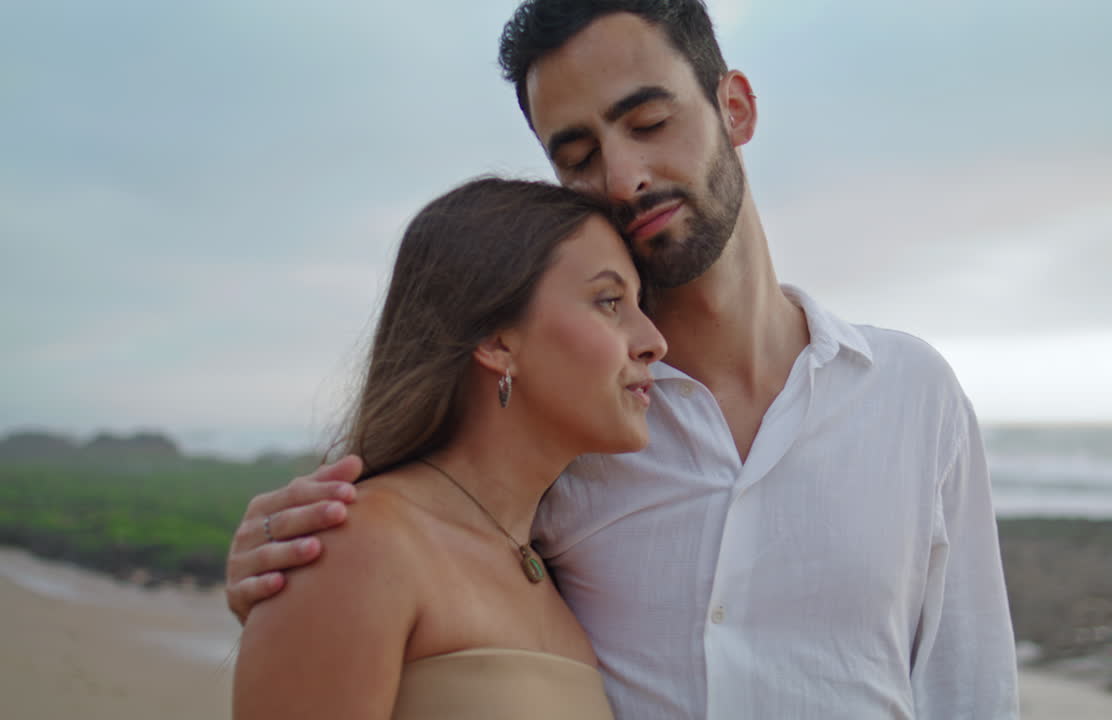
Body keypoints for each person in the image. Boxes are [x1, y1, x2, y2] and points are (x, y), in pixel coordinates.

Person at [225, 1, 1020, 717]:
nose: (623, 177)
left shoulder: (914, 396)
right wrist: (293, 572)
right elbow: (430, 553)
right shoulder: (569, 423)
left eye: (647, 123)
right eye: (576, 154)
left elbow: (970, 691)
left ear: (734, 108)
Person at [232, 177, 666, 719]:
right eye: (609, 302)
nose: (653, 340)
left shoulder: (549, 571)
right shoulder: (357, 544)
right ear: (496, 341)